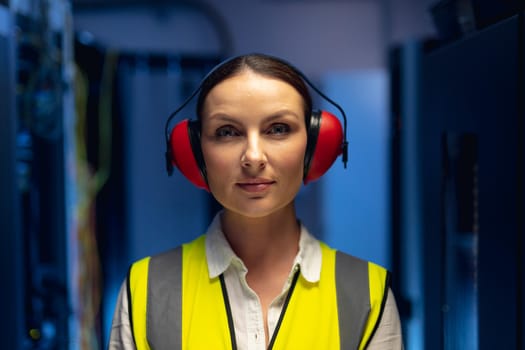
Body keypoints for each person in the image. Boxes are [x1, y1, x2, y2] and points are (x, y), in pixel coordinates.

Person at [108, 53, 403, 350]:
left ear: (315, 146)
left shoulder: (369, 292)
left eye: (278, 129)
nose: (253, 157)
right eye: (227, 132)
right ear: (196, 154)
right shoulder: (144, 289)